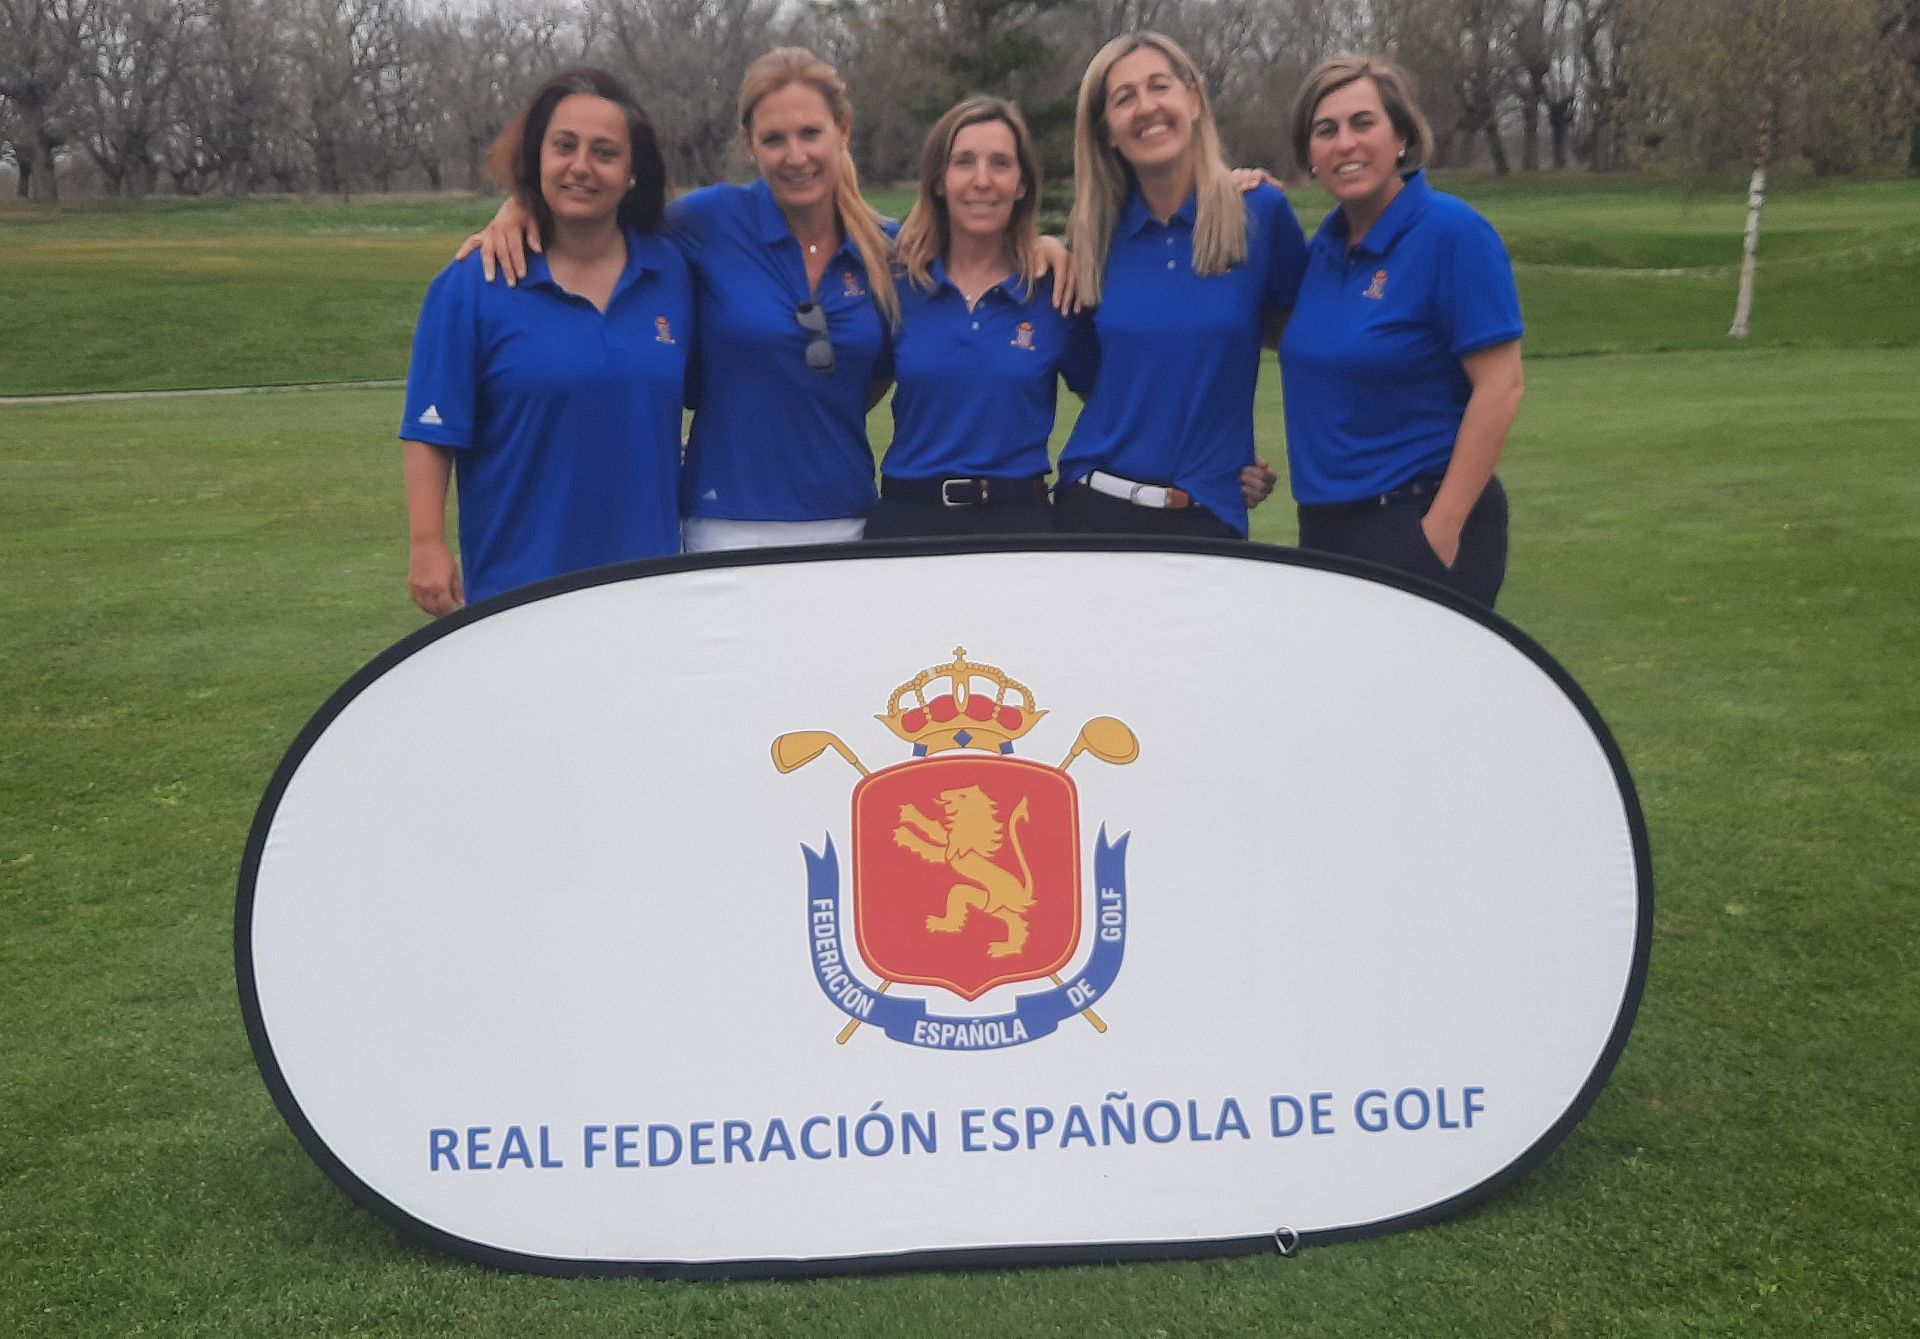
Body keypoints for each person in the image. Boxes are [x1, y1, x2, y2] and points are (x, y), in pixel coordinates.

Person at [466, 48, 899, 552]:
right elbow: (593, 209)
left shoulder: (888, 248)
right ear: (748, 143)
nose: (795, 156)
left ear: (842, 130)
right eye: (774, 139)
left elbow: (876, 373)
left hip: (849, 521)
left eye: (810, 133)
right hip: (724, 526)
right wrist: (520, 206)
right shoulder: (705, 222)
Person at [401, 66, 691, 614]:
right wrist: (427, 544)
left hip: (648, 591)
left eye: (605, 152)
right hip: (518, 592)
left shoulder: (674, 273)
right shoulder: (471, 285)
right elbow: (431, 429)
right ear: (537, 156)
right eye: (564, 146)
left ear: (633, 172)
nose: (581, 166)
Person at [1281, 55, 1524, 608]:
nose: (1345, 143)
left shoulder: (1452, 232)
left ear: (1402, 137)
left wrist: (1442, 527)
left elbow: (1501, 386)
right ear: (1309, 155)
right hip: (1325, 530)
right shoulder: (1323, 249)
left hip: (1418, 521)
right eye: (1326, 130)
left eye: (1363, 123)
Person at [1052, 31, 1307, 539]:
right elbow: (1096, 381)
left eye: (1159, 86)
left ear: (1194, 101)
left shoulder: (1261, 214)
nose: (1146, 107)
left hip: (1208, 514)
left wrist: (1230, 451)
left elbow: (1308, 343)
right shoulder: (1093, 238)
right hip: (1093, 507)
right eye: (1124, 97)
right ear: (1107, 130)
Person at [870, 96, 1097, 538]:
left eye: (1000, 163)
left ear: (1022, 184)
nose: (982, 180)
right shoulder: (898, 284)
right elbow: (849, 399)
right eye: (963, 162)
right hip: (908, 522)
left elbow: (1114, 408)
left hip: (1019, 524)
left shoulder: (1056, 290)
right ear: (939, 181)